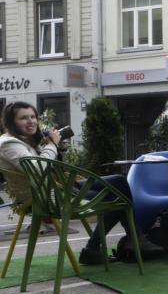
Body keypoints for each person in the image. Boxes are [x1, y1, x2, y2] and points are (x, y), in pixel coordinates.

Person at [0, 101, 138, 266]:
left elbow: (47, 166)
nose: (31, 121)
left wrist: (50, 145)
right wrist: (51, 144)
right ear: (11, 122)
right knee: (118, 196)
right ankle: (126, 242)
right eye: (23, 118)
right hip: (49, 196)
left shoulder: (22, 140)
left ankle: (128, 240)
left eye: (33, 116)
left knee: (119, 180)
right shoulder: (9, 144)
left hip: (56, 187)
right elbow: (38, 168)